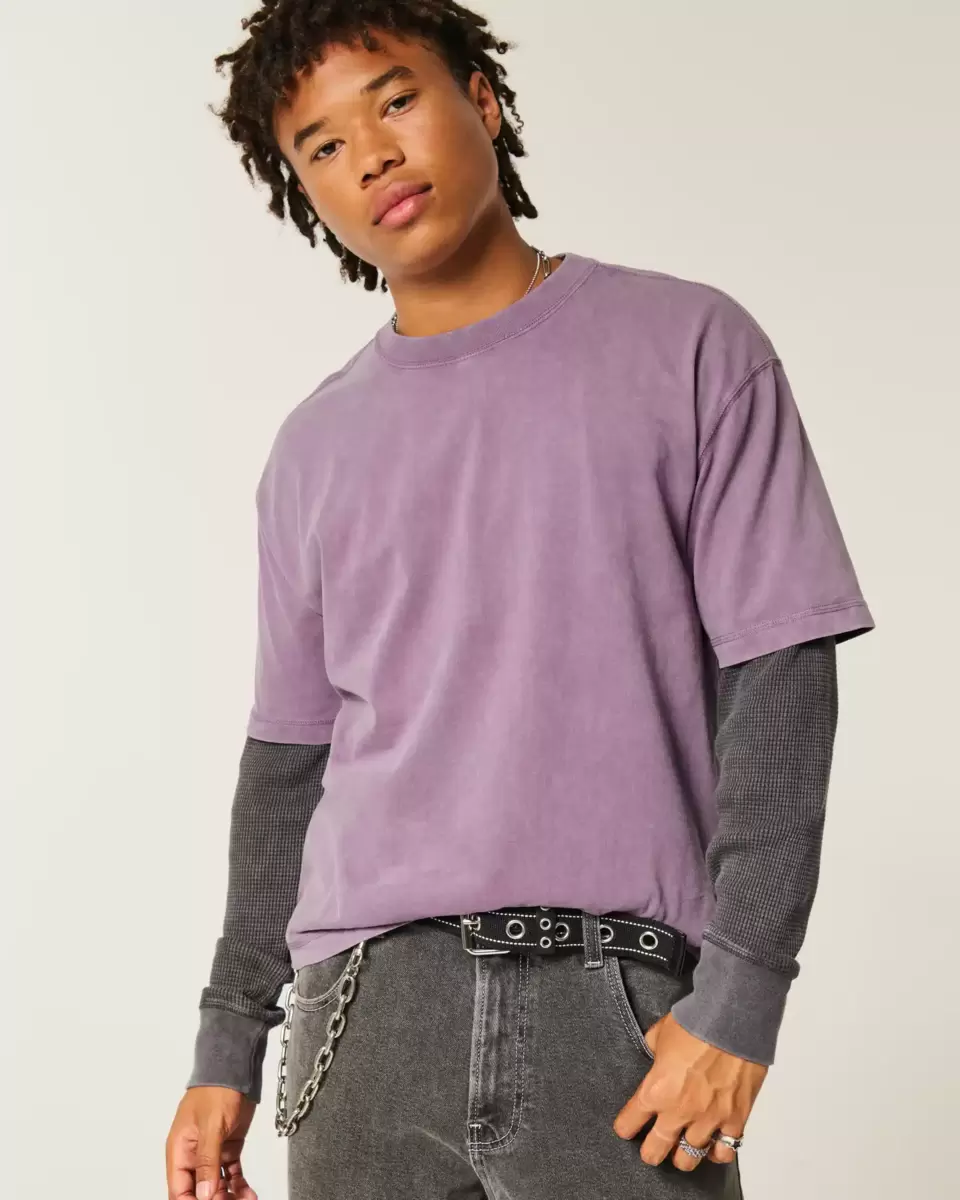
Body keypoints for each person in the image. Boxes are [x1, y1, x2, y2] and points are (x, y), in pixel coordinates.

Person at [164, 3, 875, 1198]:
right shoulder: (313, 449)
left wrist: (743, 1000)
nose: (372, 155)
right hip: (364, 1030)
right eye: (322, 145)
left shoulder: (691, 346)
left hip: (620, 1006)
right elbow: (287, 765)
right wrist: (227, 1041)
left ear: (482, 101)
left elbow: (781, 679)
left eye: (396, 100)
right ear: (304, 190)